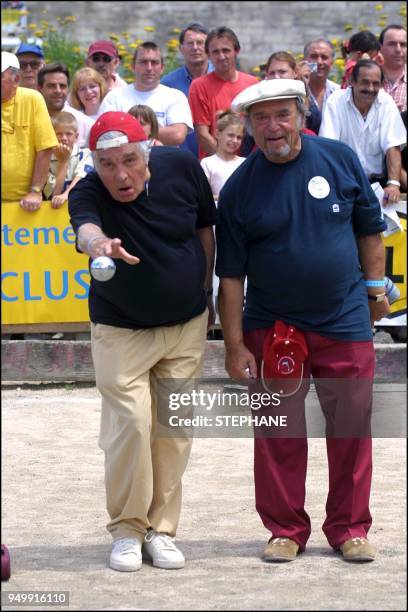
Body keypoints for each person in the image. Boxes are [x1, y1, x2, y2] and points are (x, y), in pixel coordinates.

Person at [216, 78, 390, 564]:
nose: (272, 128)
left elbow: (369, 230)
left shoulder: (339, 158)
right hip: (273, 327)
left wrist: (375, 288)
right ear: (248, 126)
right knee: (278, 432)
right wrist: (234, 345)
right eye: (261, 118)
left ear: (302, 114)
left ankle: (350, 528)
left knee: (352, 425)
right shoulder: (239, 188)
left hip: (345, 320)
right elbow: (230, 276)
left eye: (281, 115)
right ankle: (285, 528)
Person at [68, 111, 217, 572]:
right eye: (108, 164)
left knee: (172, 431)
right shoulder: (89, 190)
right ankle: (128, 529)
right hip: (120, 328)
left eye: (129, 160)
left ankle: (160, 530)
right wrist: (99, 246)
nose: (121, 175)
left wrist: (205, 293)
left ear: (147, 150)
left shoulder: (182, 166)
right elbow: (86, 228)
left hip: (185, 324)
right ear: (95, 163)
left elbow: (204, 232)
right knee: (131, 425)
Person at [319, 59, 406, 205]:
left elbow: (393, 146)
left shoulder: (386, 102)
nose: (371, 88)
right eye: (365, 82)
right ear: (352, 81)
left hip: (377, 183)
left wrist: (393, 184)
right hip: (343, 182)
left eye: (376, 83)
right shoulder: (335, 101)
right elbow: (329, 147)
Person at [98, 42, 193, 146]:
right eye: (143, 62)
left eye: (154, 62)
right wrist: (152, 132)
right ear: (133, 66)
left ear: (162, 68)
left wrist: (128, 132)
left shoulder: (175, 97)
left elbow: (177, 135)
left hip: (162, 160)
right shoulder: (114, 97)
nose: (149, 68)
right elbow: (106, 136)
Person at [188, 26, 258, 159]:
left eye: (226, 50)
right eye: (215, 52)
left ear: (236, 51)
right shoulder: (199, 86)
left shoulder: (253, 84)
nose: (221, 56)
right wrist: (226, 163)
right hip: (216, 166)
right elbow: (202, 134)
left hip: (250, 161)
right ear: (208, 55)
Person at [1, 51, 58, 209]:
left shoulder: (32, 99)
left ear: (16, 79)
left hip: (25, 202)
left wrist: (35, 190)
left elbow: (45, 147)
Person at [161, 22, 213, 156]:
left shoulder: (221, 80)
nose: (195, 48)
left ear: (208, 47)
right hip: (182, 159)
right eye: (190, 43)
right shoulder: (168, 84)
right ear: (181, 48)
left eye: (200, 43)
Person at [38, 62, 94, 149]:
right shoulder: (30, 121)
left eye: (62, 86)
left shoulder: (86, 124)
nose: (58, 91)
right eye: (51, 86)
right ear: (40, 88)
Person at [43, 111, 93, 208]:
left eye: (69, 134)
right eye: (59, 134)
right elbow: (54, 195)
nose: (64, 138)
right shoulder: (46, 159)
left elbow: (82, 179)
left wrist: (66, 194)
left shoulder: (85, 154)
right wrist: (63, 162)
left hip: (81, 207)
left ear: (76, 136)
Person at [264, 51, 320, 134]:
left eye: (282, 72)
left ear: (295, 73)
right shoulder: (260, 104)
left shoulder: (310, 109)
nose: (276, 77)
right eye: (272, 73)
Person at [200, 110, 245, 201]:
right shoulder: (207, 163)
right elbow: (203, 197)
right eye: (230, 135)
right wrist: (224, 197)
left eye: (239, 137)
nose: (235, 141)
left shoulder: (245, 163)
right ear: (217, 134)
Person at [303, 38, 340, 122]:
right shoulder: (296, 92)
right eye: (314, 56)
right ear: (304, 61)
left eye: (324, 57)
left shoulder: (339, 93)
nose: (319, 62)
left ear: (331, 63)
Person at [379, 25, 407, 112]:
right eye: (392, 44)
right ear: (380, 48)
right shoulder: (368, 80)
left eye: (403, 45)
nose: (398, 50)